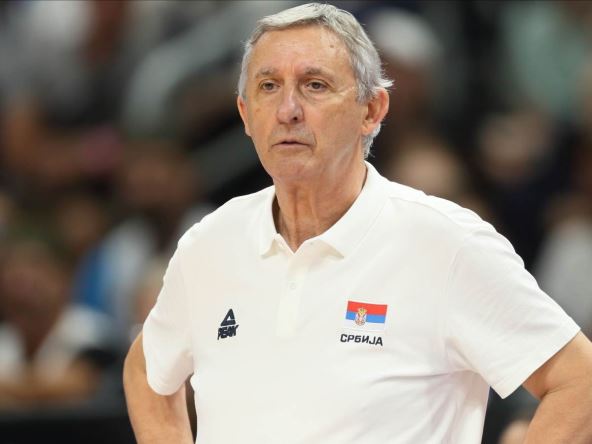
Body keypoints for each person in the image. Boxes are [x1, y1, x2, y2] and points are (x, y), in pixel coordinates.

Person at [123, 4, 592, 443]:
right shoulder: (210, 243)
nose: (287, 110)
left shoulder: (446, 243)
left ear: (372, 110)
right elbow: (146, 369)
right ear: (246, 115)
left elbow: (581, 383)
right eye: (268, 87)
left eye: (314, 85)